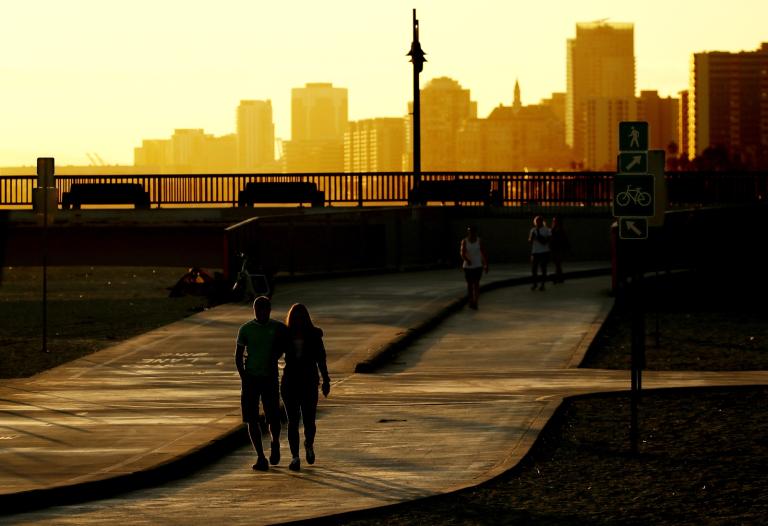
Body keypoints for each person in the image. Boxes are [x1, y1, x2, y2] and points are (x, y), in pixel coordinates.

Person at [235, 295, 290, 472]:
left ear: (269, 310)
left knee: (273, 416)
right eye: (258, 310)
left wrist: (277, 354)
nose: (262, 313)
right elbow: (238, 355)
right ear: (254, 311)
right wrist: (244, 376)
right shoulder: (246, 329)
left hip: (269, 378)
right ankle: (260, 456)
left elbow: (292, 336)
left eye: (265, 310)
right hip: (251, 379)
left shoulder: (278, 327)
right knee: (251, 419)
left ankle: (274, 442)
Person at [281, 303, 331, 471]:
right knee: (293, 421)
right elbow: (274, 353)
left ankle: (308, 443)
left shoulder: (315, 335)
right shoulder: (285, 335)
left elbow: (321, 359)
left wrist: (326, 380)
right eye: (296, 317)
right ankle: (295, 457)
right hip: (290, 382)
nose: (299, 321)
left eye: (301, 317)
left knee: (309, 421)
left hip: (309, 381)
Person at [460, 225, 489, 310]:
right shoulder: (464, 241)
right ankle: (471, 300)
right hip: (468, 267)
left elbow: (483, 253)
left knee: (476, 284)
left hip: (477, 266)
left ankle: (475, 301)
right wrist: (467, 259)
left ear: (475, 232)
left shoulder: (479, 241)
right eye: (469, 232)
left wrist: (486, 264)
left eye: (473, 232)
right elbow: (462, 253)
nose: (471, 233)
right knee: (469, 285)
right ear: (468, 232)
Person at [528, 215, 551, 291]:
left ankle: (542, 284)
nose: (537, 223)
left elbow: (545, 242)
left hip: (544, 252)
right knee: (534, 269)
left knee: (543, 268)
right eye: (536, 221)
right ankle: (535, 284)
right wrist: (531, 238)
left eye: (539, 221)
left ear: (542, 221)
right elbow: (530, 241)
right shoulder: (533, 230)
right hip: (535, 252)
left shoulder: (547, 230)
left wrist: (537, 235)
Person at [550, 215, 570, 284]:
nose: (554, 222)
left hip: (559, 249)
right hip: (555, 249)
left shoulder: (560, 230)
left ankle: (557, 278)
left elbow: (565, 240)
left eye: (555, 220)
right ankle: (560, 278)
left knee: (557, 264)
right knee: (557, 265)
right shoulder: (554, 229)